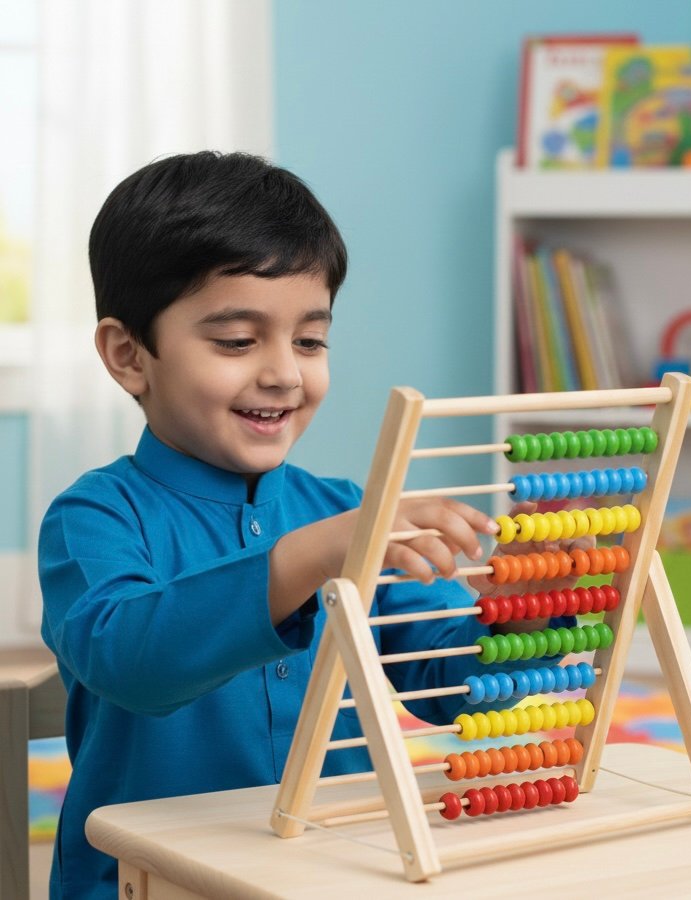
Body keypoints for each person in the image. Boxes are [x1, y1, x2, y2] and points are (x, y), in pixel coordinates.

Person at [39, 151, 581, 899]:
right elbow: (133, 663)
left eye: (310, 340)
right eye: (236, 341)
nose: (284, 373)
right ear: (130, 356)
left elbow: (437, 679)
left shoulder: (341, 509)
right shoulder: (94, 518)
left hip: (330, 873)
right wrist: (317, 554)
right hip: (151, 879)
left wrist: (537, 611)